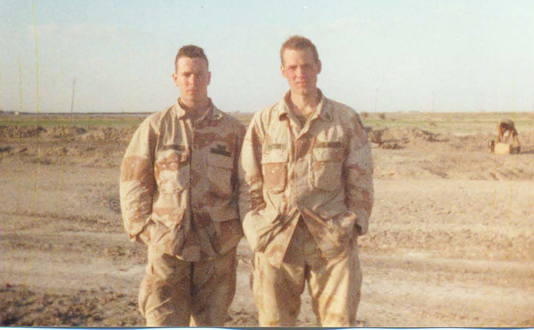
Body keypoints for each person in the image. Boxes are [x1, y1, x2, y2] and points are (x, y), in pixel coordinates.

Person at [238, 36, 374, 326]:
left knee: (339, 322)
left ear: (318, 67)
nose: (300, 74)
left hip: (332, 242)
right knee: (275, 322)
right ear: (283, 71)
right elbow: (248, 181)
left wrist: (353, 226)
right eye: (293, 67)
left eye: (307, 66)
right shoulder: (264, 122)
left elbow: (360, 178)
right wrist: (256, 229)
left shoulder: (344, 119)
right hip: (277, 242)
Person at [120, 45, 245, 326]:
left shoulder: (233, 131)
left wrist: (236, 230)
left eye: (199, 74)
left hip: (217, 252)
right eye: (186, 74)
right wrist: (145, 229)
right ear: (175, 78)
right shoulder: (155, 127)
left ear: (209, 77)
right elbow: (133, 183)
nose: (193, 81)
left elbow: (248, 186)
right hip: (166, 250)